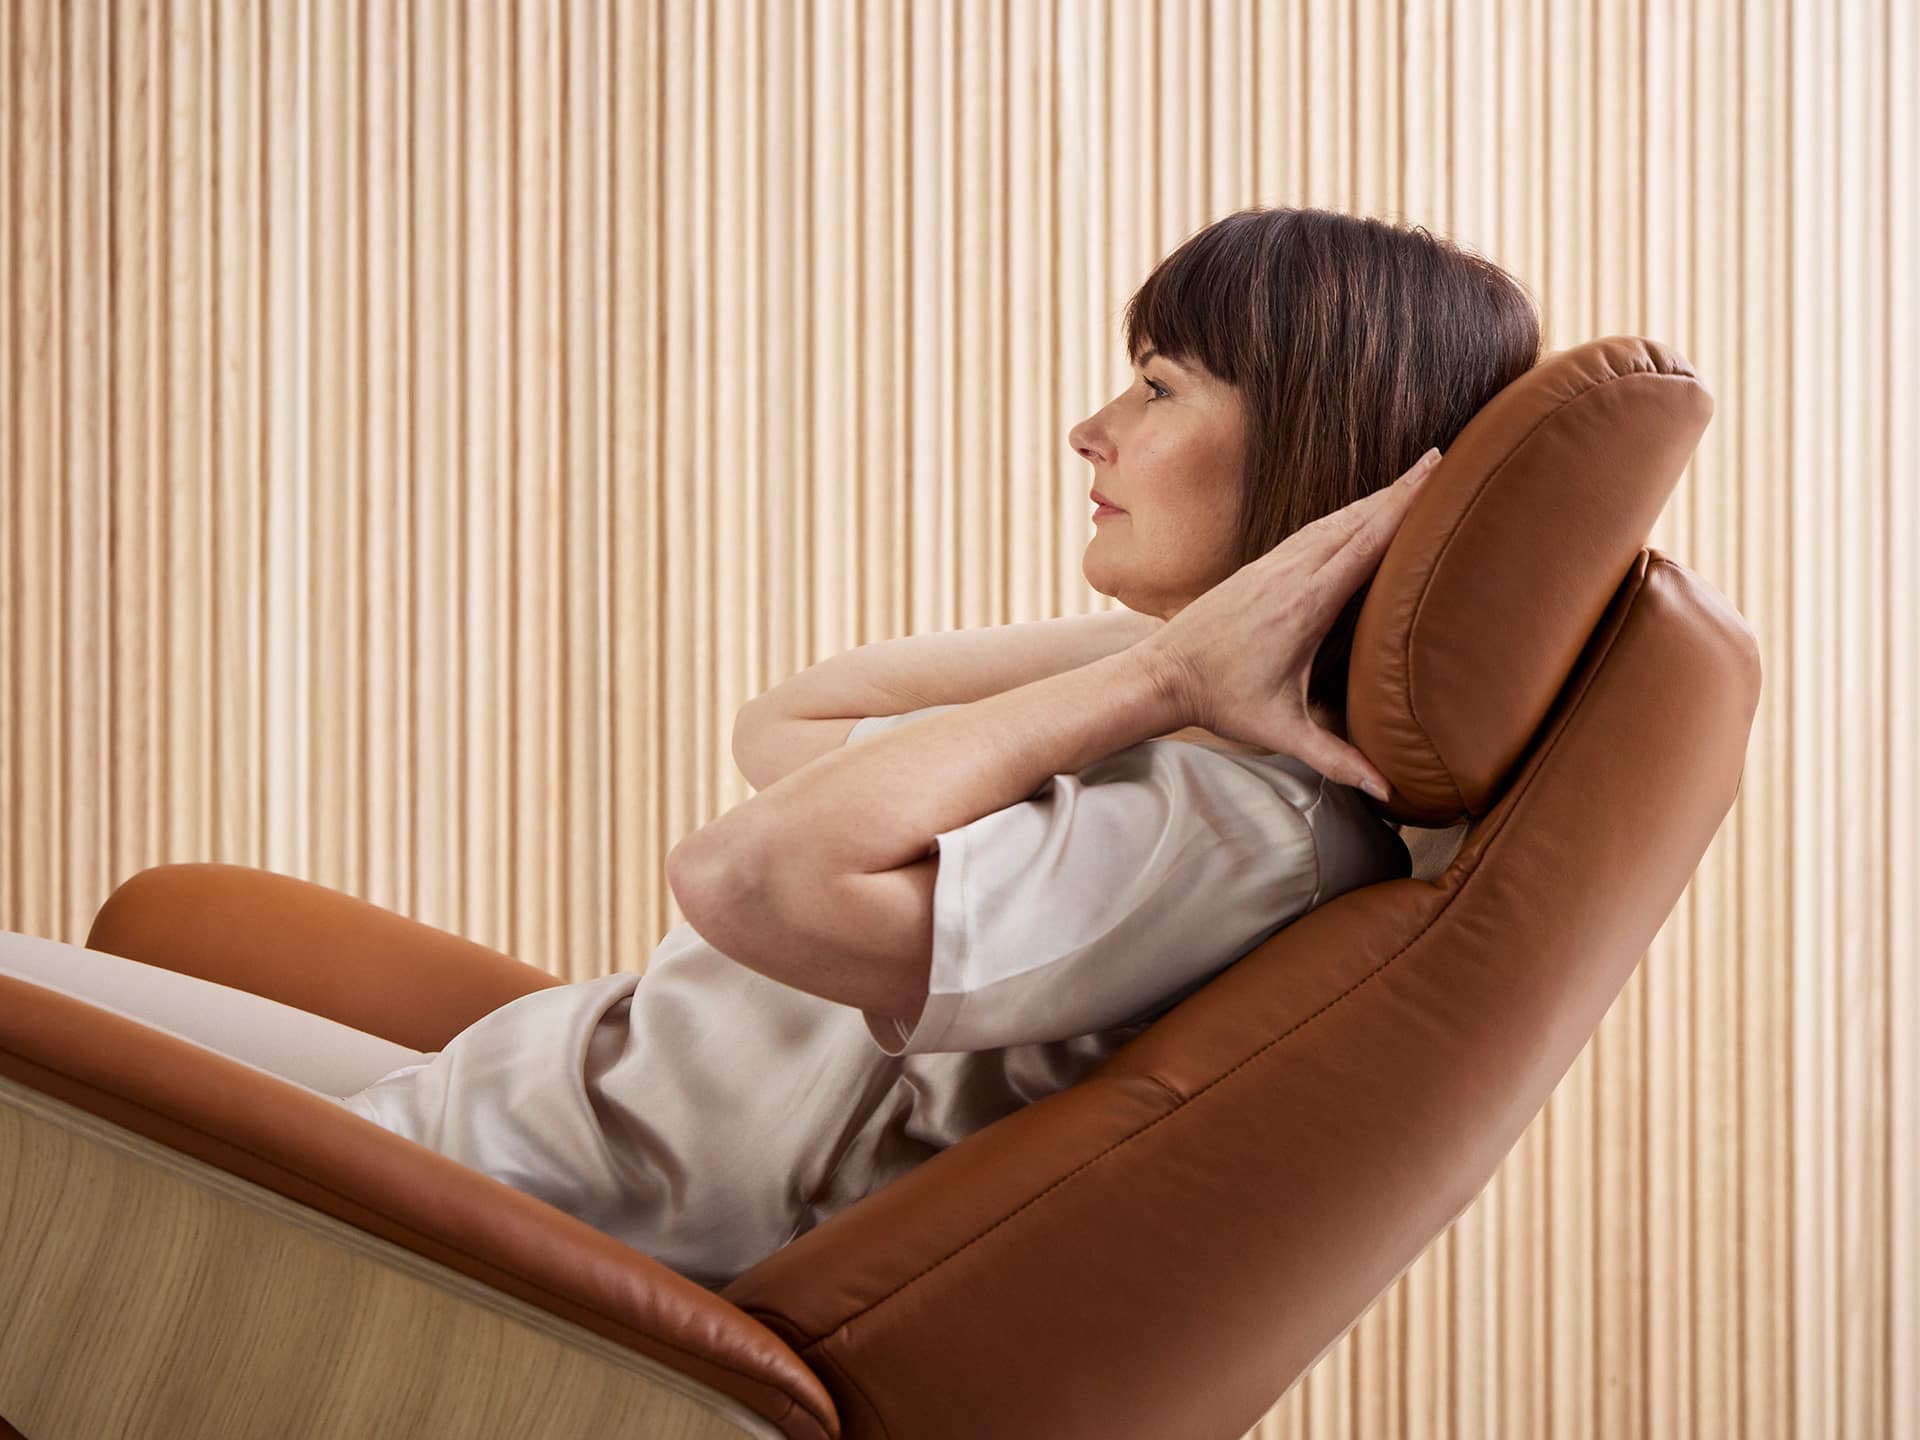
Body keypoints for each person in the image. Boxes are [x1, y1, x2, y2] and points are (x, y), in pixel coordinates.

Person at [0, 206, 1543, 1293]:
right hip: (501, 1110)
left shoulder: (1232, 825)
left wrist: (1166, 677)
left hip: (500, 1227)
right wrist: (1186, 653)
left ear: (1314, 443)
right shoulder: (1175, 729)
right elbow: (790, 725)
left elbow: (748, 878)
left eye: (1155, 388)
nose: (1092, 430)